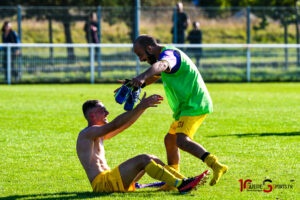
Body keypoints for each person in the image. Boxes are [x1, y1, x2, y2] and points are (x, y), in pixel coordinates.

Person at [127, 34, 228, 190]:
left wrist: (141, 76)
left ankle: (216, 165)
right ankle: (172, 179)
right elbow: (157, 73)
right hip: (185, 106)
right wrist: (136, 85)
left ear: (149, 48)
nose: (141, 59)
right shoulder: (162, 59)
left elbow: (161, 66)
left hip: (194, 104)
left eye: (141, 55)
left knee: (181, 140)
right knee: (170, 140)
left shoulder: (169, 55)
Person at [76, 93, 209, 193]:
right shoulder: (88, 133)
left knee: (152, 158)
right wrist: (139, 106)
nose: (107, 112)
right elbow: (115, 124)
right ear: (92, 116)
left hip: (110, 181)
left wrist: (142, 109)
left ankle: (183, 181)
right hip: (103, 184)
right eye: (102, 111)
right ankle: (181, 184)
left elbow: (124, 125)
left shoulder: (97, 134)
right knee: (144, 159)